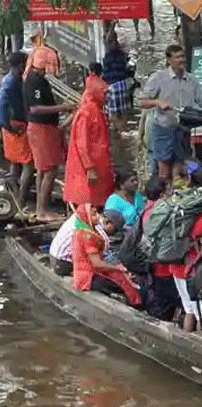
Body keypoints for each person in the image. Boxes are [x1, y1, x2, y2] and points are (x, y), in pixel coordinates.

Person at [140, 45, 202, 182]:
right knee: (163, 172)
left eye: (183, 56)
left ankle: (177, 196)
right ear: (169, 59)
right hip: (163, 129)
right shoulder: (158, 78)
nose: (181, 60)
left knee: (180, 169)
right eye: (177, 57)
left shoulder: (192, 80)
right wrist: (158, 102)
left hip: (183, 130)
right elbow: (142, 102)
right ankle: (162, 196)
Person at [24, 55, 73, 220]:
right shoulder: (34, 81)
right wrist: (64, 107)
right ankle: (43, 210)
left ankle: (40, 208)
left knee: (42, 169)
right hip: (41, 129)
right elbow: (35, 109)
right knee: (51, 170)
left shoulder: (37, 79)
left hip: (43, 128)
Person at [71, 204, 141, 306]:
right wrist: (118, 269)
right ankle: (133, 304)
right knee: (121, 283)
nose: (98, 217)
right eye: (94, 215)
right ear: (86, 218)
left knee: (121, 276)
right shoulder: (87, 236)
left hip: (92, 271)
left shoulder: (87, 230)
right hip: (89, 276)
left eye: (97, 213)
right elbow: (96, 263)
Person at [63, 80, 113, 208]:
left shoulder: (96, 109)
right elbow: (81, 143)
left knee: (97, 199)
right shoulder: (86, 112)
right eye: (104, 94)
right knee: (87, 201)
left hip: (98, 162)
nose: (107, 97)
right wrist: (89, 167)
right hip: (88, 166)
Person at [0, 52, 32, 202]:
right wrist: (8, 126)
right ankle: (20, 198)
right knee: (28, 163)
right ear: (20, 65)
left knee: (15, 160)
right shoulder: (10, 83)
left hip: (11, 125)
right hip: (16, 126)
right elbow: (2, 106)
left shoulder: (12, 80)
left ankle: (14, 193)